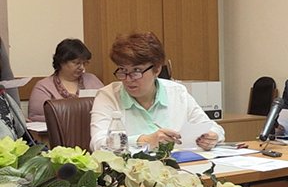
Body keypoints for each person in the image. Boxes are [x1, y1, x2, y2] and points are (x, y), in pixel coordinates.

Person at [90, 32, 224, 151]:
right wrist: (144, 141)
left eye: (136, 71)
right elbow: (98, 143)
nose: (128, 79)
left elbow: (214, 128)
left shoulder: (177, 92)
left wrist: (212, 137)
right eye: (123, 70)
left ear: (157, 69)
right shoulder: (108, 95)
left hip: (181, 167)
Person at [28, 39, 104, 122]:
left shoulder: (92, 80)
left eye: (84, 63)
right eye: (77, 63)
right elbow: (37, 117)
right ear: (62, 61)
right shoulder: (43, 87)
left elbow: (107, 106)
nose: (82, 67)